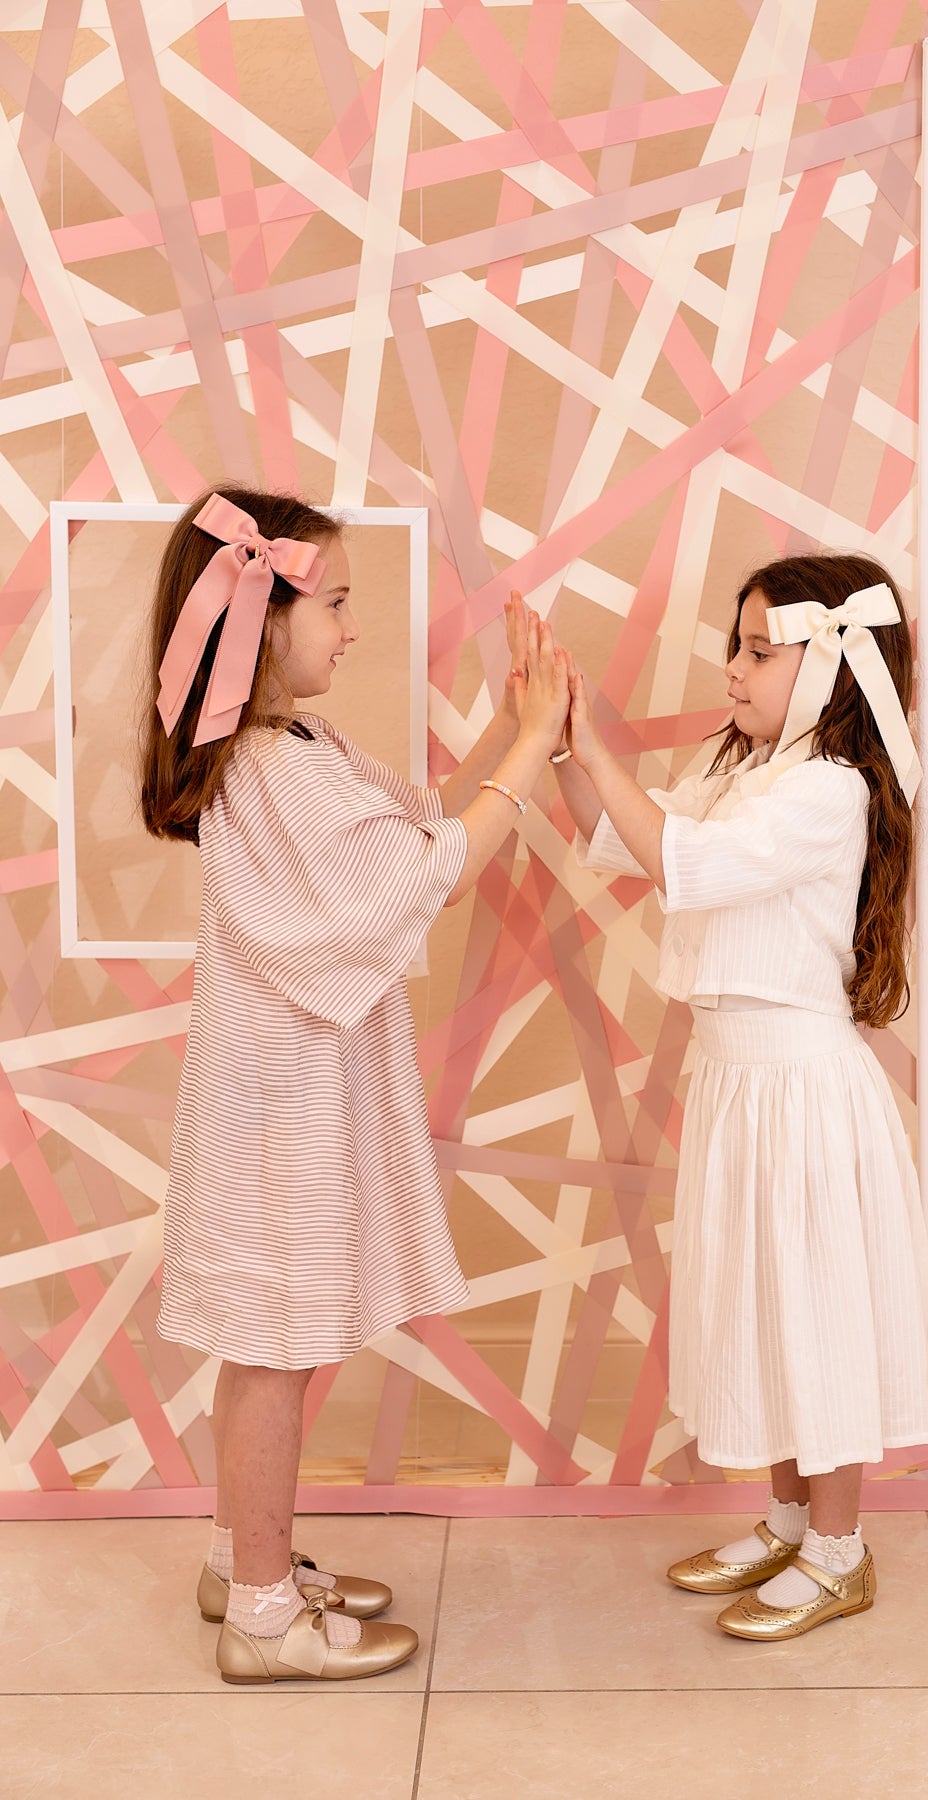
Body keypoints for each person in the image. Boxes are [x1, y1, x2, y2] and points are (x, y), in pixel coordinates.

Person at [141, 489, 567, 1683]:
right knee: (276, 1349)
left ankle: (242, 1560)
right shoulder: (274, 768)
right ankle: (265, 1616)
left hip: (277, 1095)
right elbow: (426, 874)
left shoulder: (298, 753)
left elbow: (413, 829)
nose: (352, 628)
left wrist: (511, 728)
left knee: (266, 1345)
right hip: (279, 1109)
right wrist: (533, 745)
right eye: (333, 604)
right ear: (261, 621)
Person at [546, 555, 928, 1641]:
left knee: (813, 1306)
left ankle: (840, 1550)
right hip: (738, 1084)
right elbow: (627, 838)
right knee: (765, 1303)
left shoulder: (827, 789)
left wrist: (590, 748)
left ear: (828, 668)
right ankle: (788, 1521)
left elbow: (688, 864)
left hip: (800, 1090)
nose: (732, 667)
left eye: (758, 651)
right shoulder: (752, 770)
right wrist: (564, 740)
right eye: (737, 645)